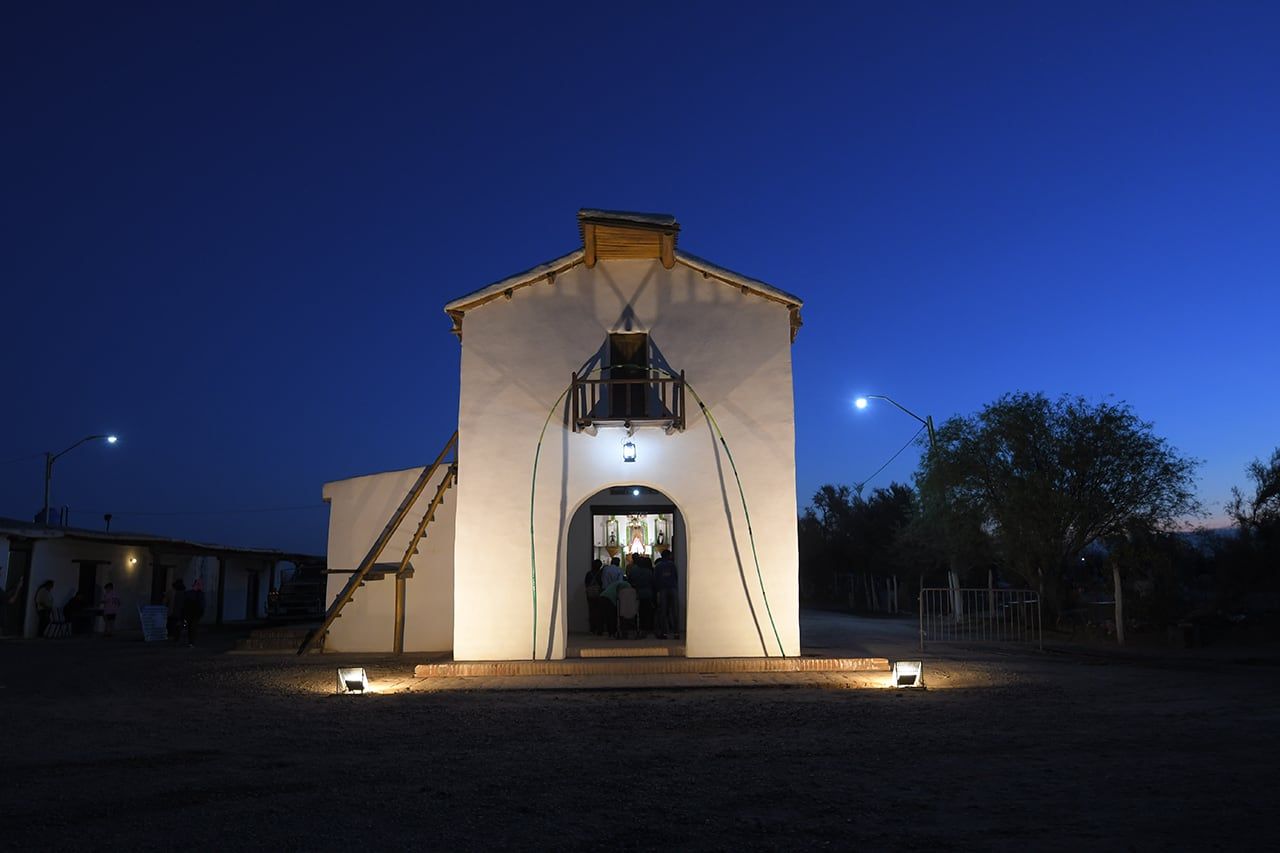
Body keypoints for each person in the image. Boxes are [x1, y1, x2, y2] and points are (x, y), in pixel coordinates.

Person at [626, 553, 655, 636]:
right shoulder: (649, 571)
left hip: (637, 593)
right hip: (648, 593)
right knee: (648, 611)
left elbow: (629, 580)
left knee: (639, 611)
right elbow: (653, 582)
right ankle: (648, 627)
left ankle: (639, 627)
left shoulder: (634, 570)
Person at [654, 549, 680, 639]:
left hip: (662, 589)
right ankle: (676, 632)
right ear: (669, 556)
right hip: (672, 588)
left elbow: (655, 579)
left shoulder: (658, 566)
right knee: (674, 611)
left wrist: (657, 590)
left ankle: (664, 633)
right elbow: (676, 576)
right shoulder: (672, 565)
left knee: (663, 611)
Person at [182, 579, 206, 647]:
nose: (201, 586)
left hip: (195, 613)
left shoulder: (199, 594)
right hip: (191, 612)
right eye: (199, 584)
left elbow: (202, 604)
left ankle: (191, 641)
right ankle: (191, 641)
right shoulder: (192, 593)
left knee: (192, 627)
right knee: (192, 627)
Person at [583, 559, 604, 636]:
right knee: (600, 612)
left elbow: (586, 584)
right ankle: (600, 629)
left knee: (592, 612)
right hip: (599, 594)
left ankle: (592, 629)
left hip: (590, 595)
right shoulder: (601, 574)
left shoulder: (589, 574)